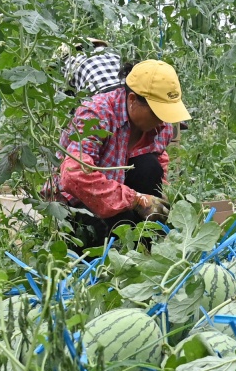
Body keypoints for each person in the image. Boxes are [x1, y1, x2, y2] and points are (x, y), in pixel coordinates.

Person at [44, 60, 189, 247]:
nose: (162, 120)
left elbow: (158, 159)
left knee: (149, 168)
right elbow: (73, 175)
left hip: (120, 190)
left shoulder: (160, 126)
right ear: (132, 100)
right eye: (157, 112)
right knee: (111, 230)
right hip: (76, 200)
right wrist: (136, 199)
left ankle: (145, 249)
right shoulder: (97, 113)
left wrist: (161, 197)